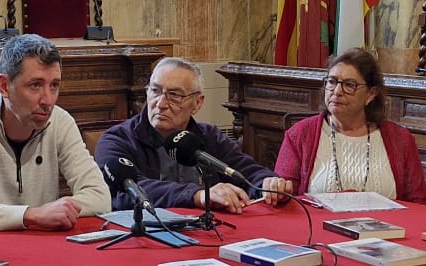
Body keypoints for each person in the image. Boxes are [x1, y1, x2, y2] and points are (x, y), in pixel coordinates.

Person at [0, 33, 109, 230]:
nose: (47, 100)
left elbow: (100, 197)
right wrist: (30, 215)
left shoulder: (60, 121)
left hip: (42, 247)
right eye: (36, 85)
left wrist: (47, 214)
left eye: (54, 85)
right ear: (4, 86)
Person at [94, 56, 295, 211]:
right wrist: (197, 195)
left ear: (197, 103)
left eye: (174, 95)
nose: (161, 104)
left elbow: (247, 172)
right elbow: (130, 190)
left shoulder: (208, 137)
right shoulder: (117, 139)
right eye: (155, 91)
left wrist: (268, 183)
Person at [273, 47, 426, 203]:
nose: (337, 91)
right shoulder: (300, 134)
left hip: (389, 227)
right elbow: (282, 197)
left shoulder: (401, 140)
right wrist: (276, 188)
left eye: (349, 85)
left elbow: (419, 204)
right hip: (317, 227)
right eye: (332, 82)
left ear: (371, 94)